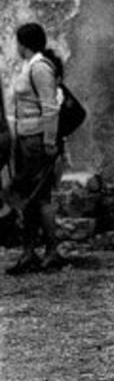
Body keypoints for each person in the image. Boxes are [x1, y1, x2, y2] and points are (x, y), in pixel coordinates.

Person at [4, 23, 64, 275]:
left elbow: (50, 106)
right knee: (29, 196)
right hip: (27, 140)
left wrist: (49, 141)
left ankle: (52, 252)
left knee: (41, 195)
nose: (15, 47)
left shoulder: (39, 67)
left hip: (38, 140)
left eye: (17, 42)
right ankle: (29, 252)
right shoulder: (30, 66)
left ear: (23, 44)